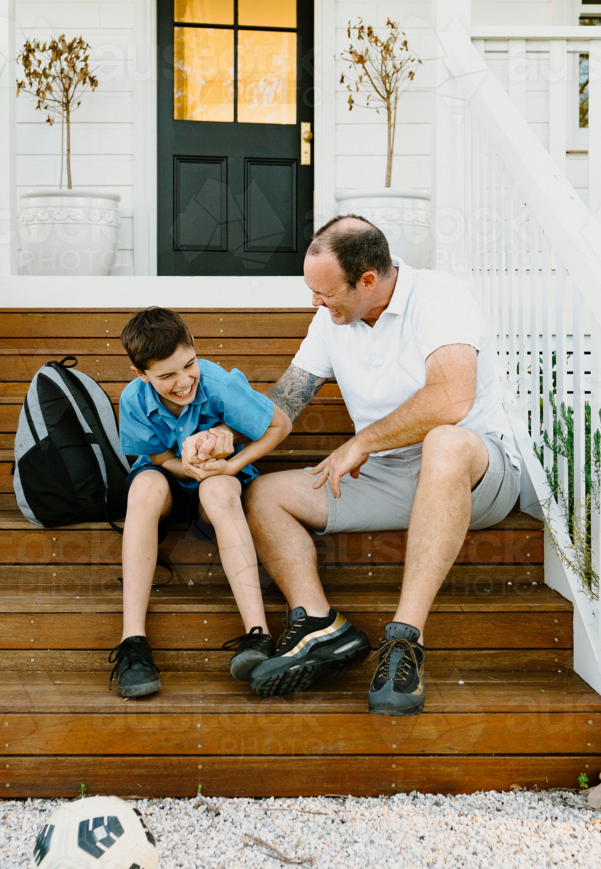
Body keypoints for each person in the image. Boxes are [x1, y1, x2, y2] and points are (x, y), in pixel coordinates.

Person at [232, 215, 521, 714]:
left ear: (368, 280)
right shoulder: (331, 321)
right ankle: (320, 625)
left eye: (326, 294)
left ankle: (405, 640)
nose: (316, 305)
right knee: (265, 495)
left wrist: (363, 441)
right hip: (390, 477)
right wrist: (225, 440)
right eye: (312, 293)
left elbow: (452, 397)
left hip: (477, 470)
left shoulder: (439, 298)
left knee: (444, 443)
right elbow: (284, 402)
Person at [109, 306, 291, 698]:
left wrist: (232, 466)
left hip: (217, 481)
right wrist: (184, 468)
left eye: (188, 365)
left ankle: (258, 635)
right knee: (143, 490)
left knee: (219, 491)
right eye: (166, 375)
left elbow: (280, 424)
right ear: (141, 375)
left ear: (194, 349)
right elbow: (156, 457)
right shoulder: (133, 398)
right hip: (170, 480)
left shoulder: (216, 381)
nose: (182, 381)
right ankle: (133, 643)